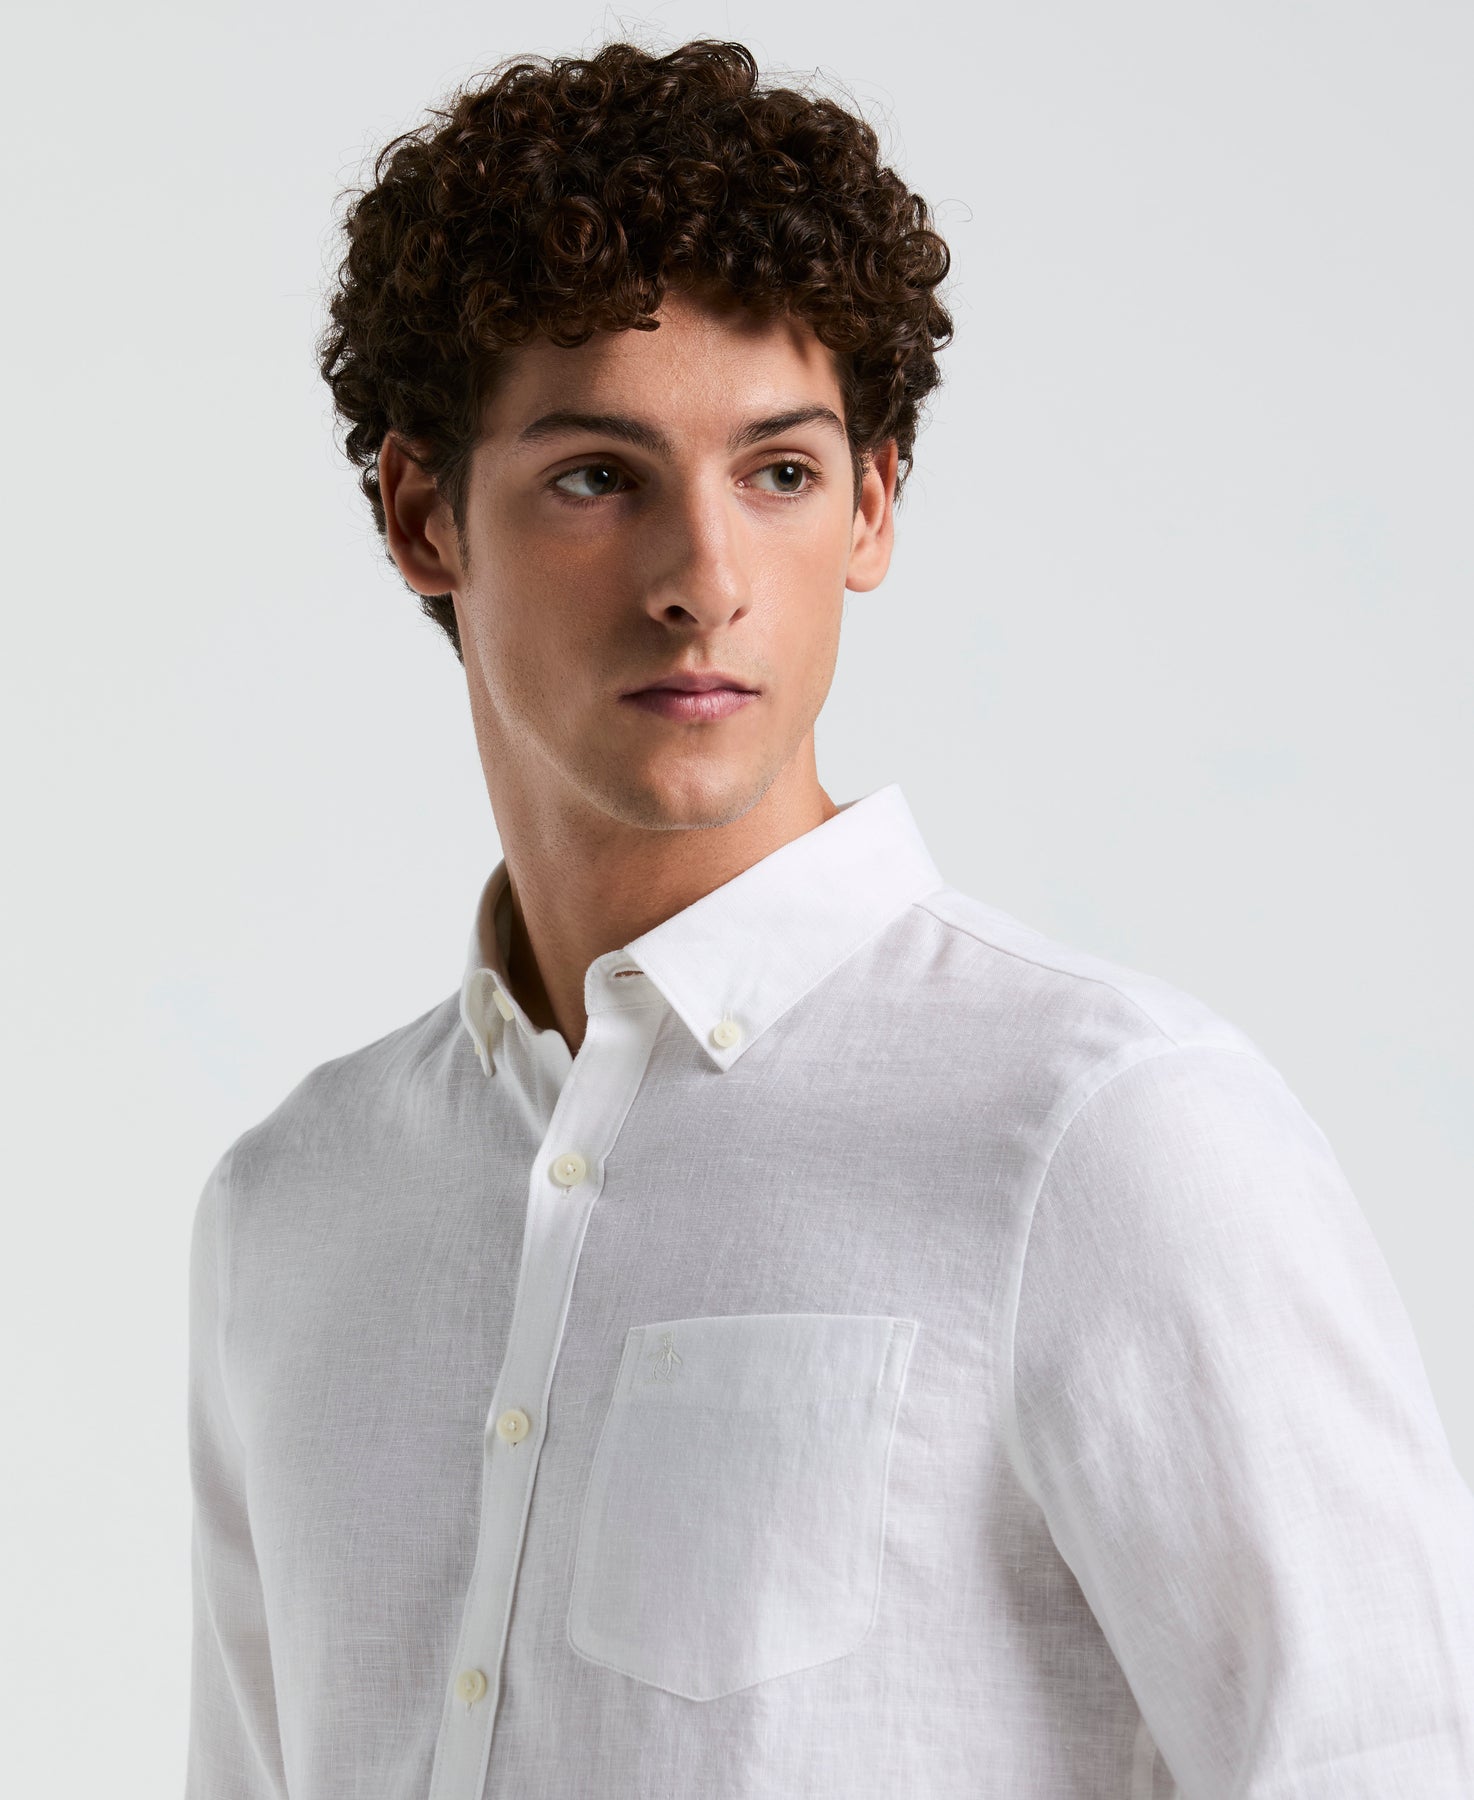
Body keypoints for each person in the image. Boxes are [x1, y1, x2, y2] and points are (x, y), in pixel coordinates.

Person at [184, 37, 1474, 1800]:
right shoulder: (297, 1207)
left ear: (870, 506)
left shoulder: (1103, 1135)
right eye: (596, 475)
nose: (700, 579)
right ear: (423, 516)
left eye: (778, 472)